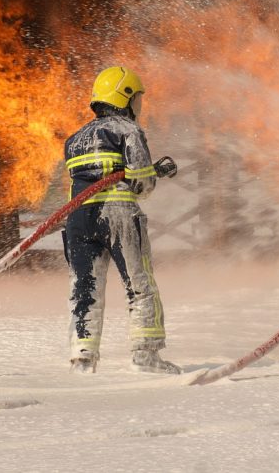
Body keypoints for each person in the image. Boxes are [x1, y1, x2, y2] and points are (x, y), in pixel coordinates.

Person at [62, 66, 180, 374]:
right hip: (118, 216)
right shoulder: (128, 131)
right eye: (137, 97)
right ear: (124, 96)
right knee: (140, 285)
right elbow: (141, 183)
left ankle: (82, 359)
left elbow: (85, 179)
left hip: (78, 219)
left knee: (84, 287)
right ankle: (146, 357)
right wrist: (156, 172)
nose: (139, 105)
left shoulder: (74, 139)